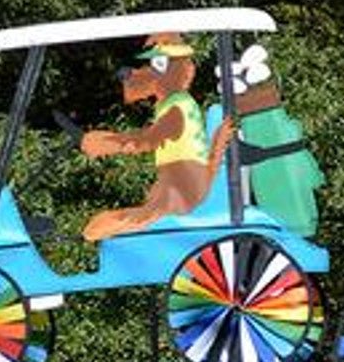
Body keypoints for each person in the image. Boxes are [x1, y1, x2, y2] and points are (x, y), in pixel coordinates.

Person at [81, 32, 232, 241]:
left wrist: (105, 143)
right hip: (177, 178)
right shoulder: (169, 103)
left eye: (159, 65)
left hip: (182, 181)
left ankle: (94, 235)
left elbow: (150, 139)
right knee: (135, 219)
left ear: (182, 70)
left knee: (134, 220)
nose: (149, 72)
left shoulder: (177, 106)